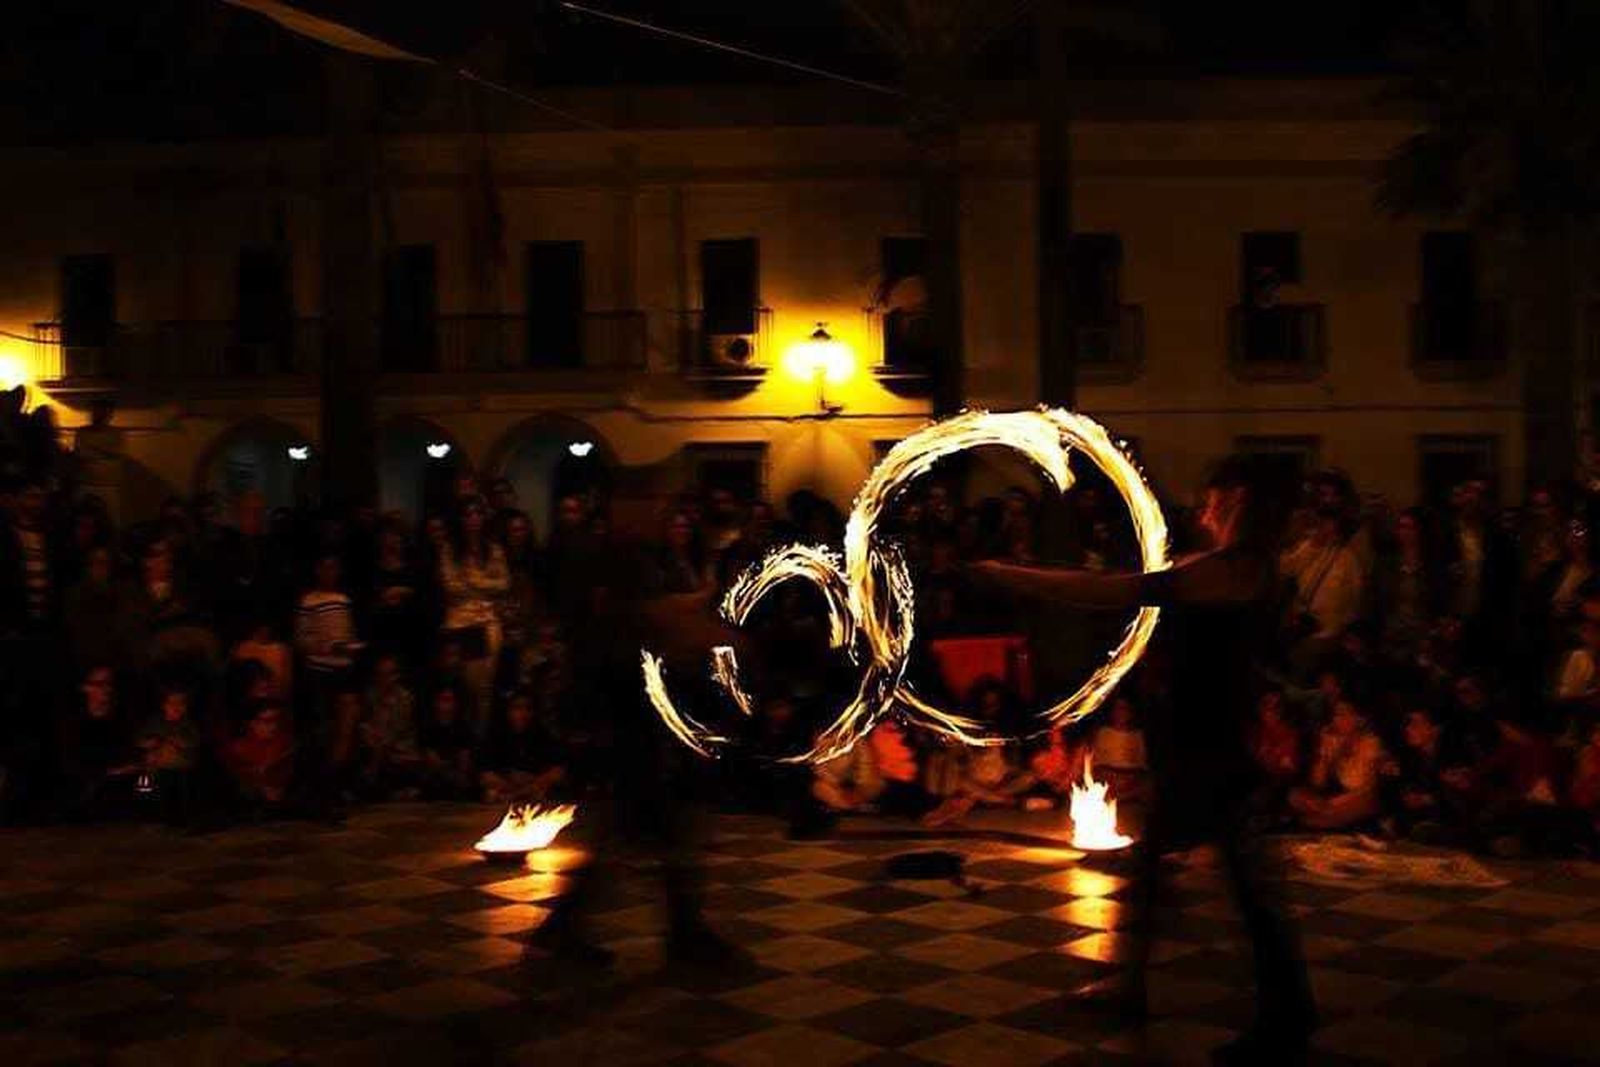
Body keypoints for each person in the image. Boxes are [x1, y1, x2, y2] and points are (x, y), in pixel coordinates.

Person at [974, 454, 1317, 1064]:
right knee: (1169, 876)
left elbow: (1113, 591)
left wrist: (1017, 576)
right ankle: (1142, 988)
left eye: (1212, 501)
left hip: (1213, 752)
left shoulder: (1232, 572)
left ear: (1235, 499)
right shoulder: (1234, 570)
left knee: (1247, 893)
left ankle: (1286, 1015)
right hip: (1196, 744)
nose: (1204, 512)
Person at [438, 497, 509, 737]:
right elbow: (452, 587)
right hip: (461, 621)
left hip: (488, 620)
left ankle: (480, 738)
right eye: (467, 514)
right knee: (466, 686)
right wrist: (486, 587)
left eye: (477, 514)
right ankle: (464, 738)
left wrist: (476, 582)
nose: (473, 519)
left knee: (485, 687)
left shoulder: (494, 548)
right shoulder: (450, 549)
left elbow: (504, 583)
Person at [1288, 700, 1387, 830]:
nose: (1338, 719)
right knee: (1295, 796)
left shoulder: (1370, 743)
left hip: (1360, 798)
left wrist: (1333, 803)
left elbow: (1363, 787)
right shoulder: (1333, 741)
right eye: (1336, 715)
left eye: (1344, 714)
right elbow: (1318, 782)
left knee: (1315, 818)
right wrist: (1324, 755)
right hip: (1336, 798)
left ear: (1359, 719)